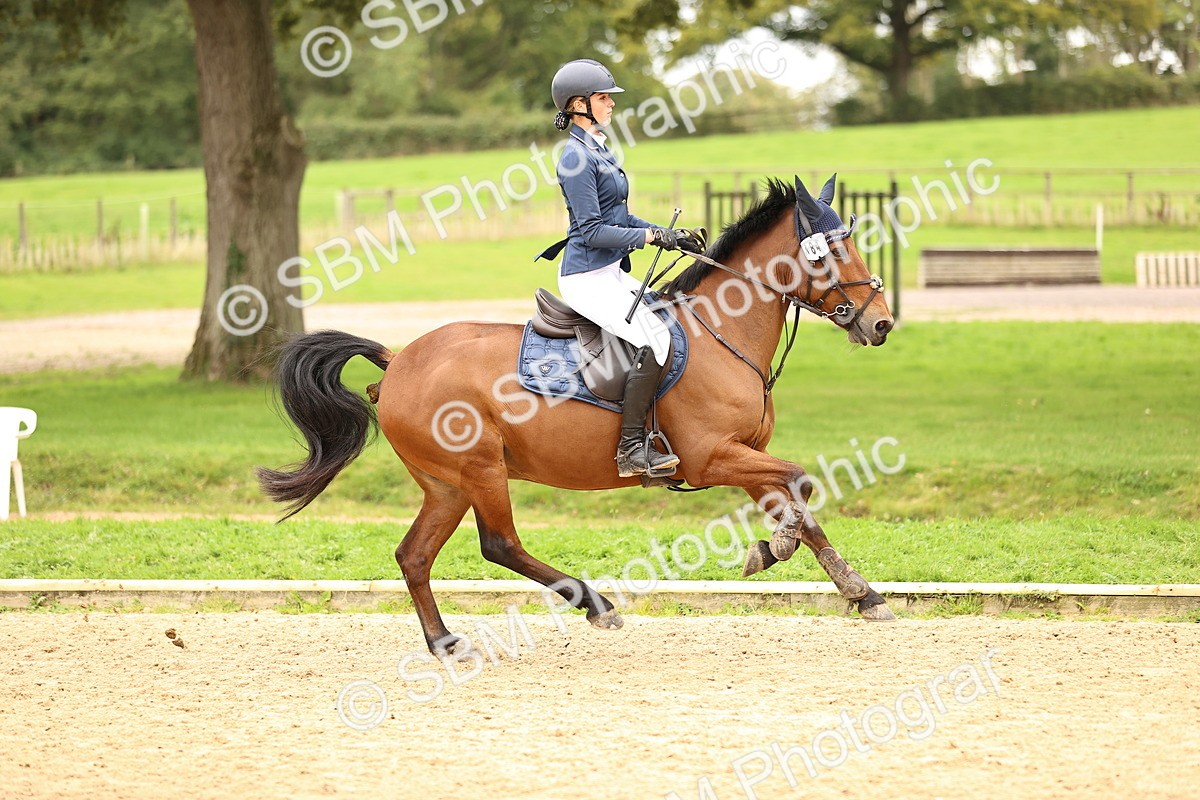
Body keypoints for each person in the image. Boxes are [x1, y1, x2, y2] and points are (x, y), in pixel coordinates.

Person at [536, 58, 703, 478]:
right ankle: (630, 449)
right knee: (657, 339)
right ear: (579, 104)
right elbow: (592, 230)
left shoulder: (598, 148)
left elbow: (621, 218)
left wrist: (669, 232)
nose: (611, 104)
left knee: (671, 320)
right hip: (586, 278)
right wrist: (650, 239)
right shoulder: (574, 158)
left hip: (609, 272)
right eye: (604, 97)